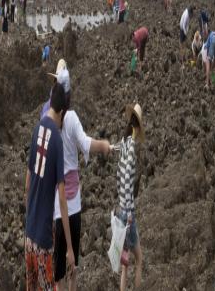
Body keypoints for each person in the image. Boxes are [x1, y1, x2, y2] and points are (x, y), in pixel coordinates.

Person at [53, 94, 113, 291]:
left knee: (59, 267)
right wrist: (104, 145)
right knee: (71, 263)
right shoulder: (70, 118)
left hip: (57, 203)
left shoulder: (49, 118)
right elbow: (86, 143)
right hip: (71, 202)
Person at [25, 83, 74, 290]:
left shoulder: (37, 129)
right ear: (62, 112)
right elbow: (62, 199)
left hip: (29, 236)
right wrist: (70, 247)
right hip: (44, 241)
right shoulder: (57, 140)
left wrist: (29, 219)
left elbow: (27, 183)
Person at [115, 103, 145, 291]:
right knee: (139, 259)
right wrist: (129, 211)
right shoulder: (132, 146)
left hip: (120, 211)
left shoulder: (124, 143)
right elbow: (126, 180)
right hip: (128, 213)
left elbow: (119, 177)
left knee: (125, 264)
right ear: (138, 126)